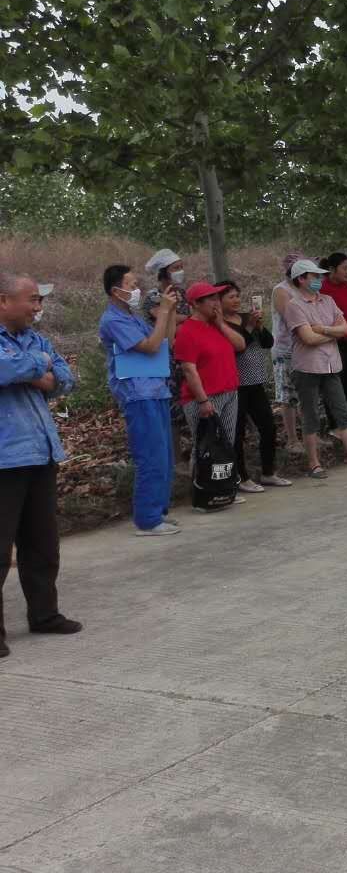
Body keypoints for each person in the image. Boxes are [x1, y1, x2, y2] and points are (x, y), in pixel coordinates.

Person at [0, 272, 83, 656]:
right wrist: (38, 366)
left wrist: (32, 369)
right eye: (32, 299)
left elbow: (64, 379)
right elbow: (6, 371)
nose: (38, 307)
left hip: (40, 453)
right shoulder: (37, 348)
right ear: (4, 301)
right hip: (5, 460)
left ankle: (45, 614)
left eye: (40, 300)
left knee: (42, 543)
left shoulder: (35, 339)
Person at [99, 264, 182, 537]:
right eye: (131, 285)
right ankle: (147, 520)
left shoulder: (132, 318)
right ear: (116, 291)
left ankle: (158, 511)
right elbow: (150, 346)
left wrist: (169, 312)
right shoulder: (113, 321)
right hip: (137, 394)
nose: (137, 290)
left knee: (164, 455)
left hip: (156, 390)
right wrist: (164, 312)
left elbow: (166, 340)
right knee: (150, 455)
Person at [281, 258, 347, 478]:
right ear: (301, 279)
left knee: (343, 412)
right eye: (314, 276)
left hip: (330, 365)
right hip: (307, 368)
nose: (319, 279)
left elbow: (344, 328)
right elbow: (308, 338)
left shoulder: (327, 300)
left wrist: (323, 330)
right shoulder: (294, 306)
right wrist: (332, 333)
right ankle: (314, 464)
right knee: (310, 416)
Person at [172, 281, 247, 502]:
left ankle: (224, 487)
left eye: (217, 298)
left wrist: (221, 323)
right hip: (205, 397)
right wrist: (203, 400)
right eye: (211, 299)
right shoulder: (186, 331)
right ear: (196, 304)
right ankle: (202, 491)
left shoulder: (217, 325)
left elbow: (240, 345)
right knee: (204, 445)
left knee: (226, 444)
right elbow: (189, 369)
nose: (217, 303)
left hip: (229, 391)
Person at [217, 282, 289, 493]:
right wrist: (248, 328)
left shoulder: (246, 318)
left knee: (268, 427)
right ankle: (241, 477)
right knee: (237, 432)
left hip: (256, 382)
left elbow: (267, 343)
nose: (236, 300)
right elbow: (236, 348)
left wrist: (259, 326)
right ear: (219, 301)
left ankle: (268, 472)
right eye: (230, 297)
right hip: (236, 384)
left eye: (237, 296)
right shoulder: (220, 325)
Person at [318, 252, 347, 419]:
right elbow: (325, 319)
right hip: (333, 343)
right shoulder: (322, 290)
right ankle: (335, 424)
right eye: (344, 268)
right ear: (332, 269)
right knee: (333, 386)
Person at [271, 251, 305, 454]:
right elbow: (292, 317)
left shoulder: (304, 289)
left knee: (307, 393)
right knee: (288, 395)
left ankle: (310, 435)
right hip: (285, 350)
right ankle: (292, 439)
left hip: (305, 348)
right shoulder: (281, 290)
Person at [142, 247, 190, 323]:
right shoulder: (153, 296)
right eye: (176, 268)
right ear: (163, 272)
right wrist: (189, 318)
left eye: (181, 267)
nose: (180, 271)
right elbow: (165, 318)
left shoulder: (182, 292)